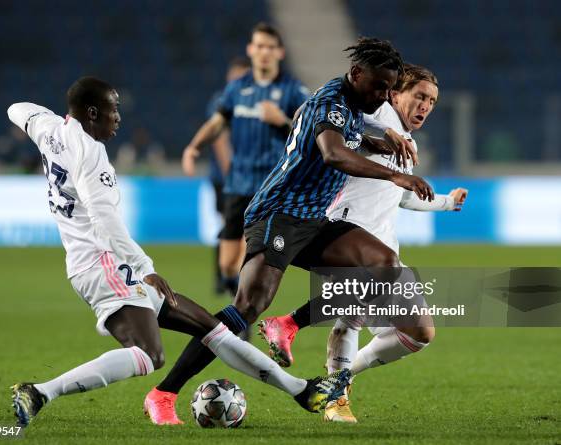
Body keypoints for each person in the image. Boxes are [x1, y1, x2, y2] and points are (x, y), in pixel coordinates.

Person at [6, 77, 350, 427]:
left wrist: (40, 120)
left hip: (96, 263)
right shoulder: (90, 154)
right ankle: (40, 392)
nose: (118, 118)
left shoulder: (50, 129)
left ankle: (301, 390)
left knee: (213, 329)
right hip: (105, 264)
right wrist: (144, 268)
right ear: (93, 113)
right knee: (148, 355)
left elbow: (18, 110)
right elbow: (103, 219)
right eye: (114, 110)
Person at [149, 37, 435, 423]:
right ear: (356, 75)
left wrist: (377, 142)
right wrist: (394, 176)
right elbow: (334, 152)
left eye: (389, 89)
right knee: (247, 308)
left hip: (314, 220)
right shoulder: (331, 103)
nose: (384, 96)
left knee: (384, 263)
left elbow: (348, 139)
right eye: (379, 87)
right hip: (278, 215)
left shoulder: (354, 104)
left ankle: (291, 324)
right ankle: (164, 393)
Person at [259, 64, 469, 422]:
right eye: (419, 96)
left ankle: (335, 378)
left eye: (432, 102)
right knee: (351, 318)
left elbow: (401, 196)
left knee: (420, 332)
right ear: (395, 94)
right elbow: (311, 116)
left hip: (382, 248)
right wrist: (376, 132)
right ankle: (334, 398)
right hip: (345, 232)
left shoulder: (408, 142)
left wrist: (446, 202)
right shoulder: (375, 115)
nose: (425, 106)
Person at [182, 22, 310, 305]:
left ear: (280, 52)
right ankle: (240, 307)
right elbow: (217, 123)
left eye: (270, 47)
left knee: (255, 259)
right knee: (228, 264)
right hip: (238, 184)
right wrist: (194, 147)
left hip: (272, 189)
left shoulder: (293, 91)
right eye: (260, 46)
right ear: (251, 50)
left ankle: (242, 316)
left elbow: (314, 133)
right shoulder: (237, 89)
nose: (264, 52)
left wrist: (284, 122)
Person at [205, 56, 251, 296]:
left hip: (242, 177)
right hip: (227, 178)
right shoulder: (222, 101)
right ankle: (227, 278)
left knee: (234, 227)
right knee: (231, 226)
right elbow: (220, 140)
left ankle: (226, 278)